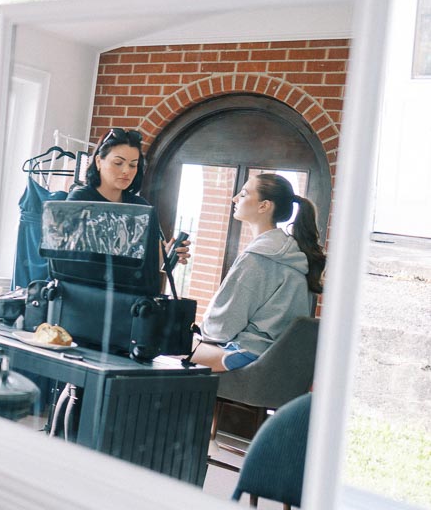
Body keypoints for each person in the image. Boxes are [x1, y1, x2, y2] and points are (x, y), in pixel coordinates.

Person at [191, 173, 325, 372]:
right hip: (274, 359)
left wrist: (199, 333)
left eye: (243, 194)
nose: (235, 198)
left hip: (244, 355)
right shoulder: (292, 252)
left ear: (264, 206)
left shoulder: (259, 256)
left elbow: (221, 327)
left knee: (157, 344)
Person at [67, 127, 190, 272]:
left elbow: (156, 263)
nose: (126, 171)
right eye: (118, 163)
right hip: (84, 289)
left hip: (124, 292)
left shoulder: (141, 207)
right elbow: (67, 257)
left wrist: (168, 255)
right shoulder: (80, 199)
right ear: (99, 161)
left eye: (133, 165)